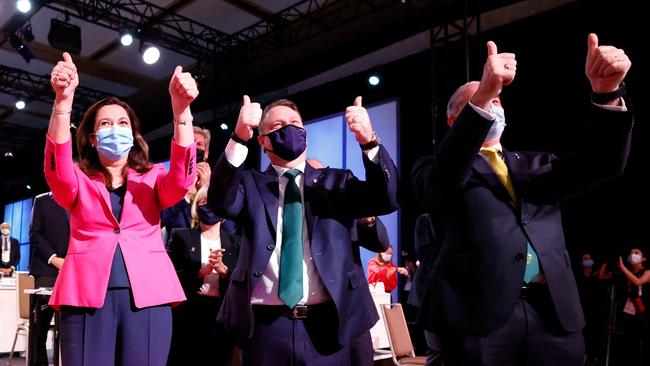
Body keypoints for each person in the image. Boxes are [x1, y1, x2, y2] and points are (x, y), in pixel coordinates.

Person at [411, 33, 633, 365]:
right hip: (479, 322)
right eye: (484, 101)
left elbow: (605, 162)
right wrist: (483, 91)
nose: (493, 105)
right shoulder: (434, 167)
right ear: (455, 121)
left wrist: (607, 93)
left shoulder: (537, 165)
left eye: (498, 101)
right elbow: (441, 183)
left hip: (553, 316)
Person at [208, 95, 399, 365]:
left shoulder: (337, 182)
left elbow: (386, 198)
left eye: (295, 123)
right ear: (262, 140)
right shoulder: (250, 184)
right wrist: (239, 137)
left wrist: (368, 140)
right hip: (266, 328)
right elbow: (219, 200)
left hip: (330, 325)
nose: (288, 128)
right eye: (278, 126)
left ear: (305, 135)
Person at [44, 52, 198, 366]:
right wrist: (62, 104)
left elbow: (183, 180)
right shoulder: (77, 180)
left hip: (149, 296)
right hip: (85, 296)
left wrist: (182, 114)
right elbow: (56, 169)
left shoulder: (153, 178)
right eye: (106, 123)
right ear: (91, 138)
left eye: (123, 122)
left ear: (134, 134)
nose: (116, 128)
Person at [167, 185, 240, 366]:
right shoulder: (180, 236)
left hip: (222, 315)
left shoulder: (236, 242)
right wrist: (200, 272)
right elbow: (170, 276)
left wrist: (224, 272)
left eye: (213, 202)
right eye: (203, 202)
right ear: (196, 208)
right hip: (189, 313)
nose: (208, 206)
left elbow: (244, 281)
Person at [28, 192, 70, 366]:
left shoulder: (82, 199)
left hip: (75, 270)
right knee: (41, 328)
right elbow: (35, 235)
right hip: (47, 270)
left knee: (71, 324)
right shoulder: (42, 200)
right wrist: (54, 259)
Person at [160, 126, 212, 246]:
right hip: (178, 258)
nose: (195, 147)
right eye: (191, 143)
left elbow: (230, 229)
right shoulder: (168, 184)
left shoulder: (218, 186)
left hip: (210, 257)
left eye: (199, 144)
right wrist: (186, 195)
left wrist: (206, 189)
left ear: (206, 153)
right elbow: (157, 221)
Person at [408, 213, 443, 366]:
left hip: (452, 296)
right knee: (435, 349)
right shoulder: (426, 219)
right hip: (430, 293)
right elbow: (425, 254)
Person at [616, 247, 650, 366]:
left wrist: (623, 268)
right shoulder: (624, 274)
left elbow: (638, 282)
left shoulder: (647, 272)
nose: (633, 254)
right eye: (631, 253)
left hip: (644, 314)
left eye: (636, 253)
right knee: (630, 345)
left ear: (643, 258)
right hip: (628, 314)